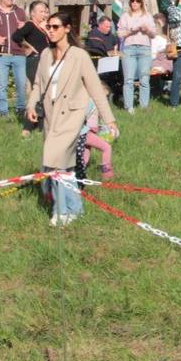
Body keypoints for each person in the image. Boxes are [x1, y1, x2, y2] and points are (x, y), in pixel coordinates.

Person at [26, 12, 117, 226]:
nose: (51, 30)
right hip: (51, 117)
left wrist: (109, 120)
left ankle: (61, 210)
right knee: (61, 167)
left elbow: (95, 88)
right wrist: (31, 105)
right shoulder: (46, 55)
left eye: (56, 27)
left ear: (67, 28)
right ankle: (71, 209)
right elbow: (39, 84)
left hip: (72, 116)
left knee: (56, 161)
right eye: (49, 27)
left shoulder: (79, 56)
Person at [12, 0, 50, 137]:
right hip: (34, 61)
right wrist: (27, 47)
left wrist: (47, 28)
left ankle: (41, 125)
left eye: (45, 11)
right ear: (33, 13)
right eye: (41, 11)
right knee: (39, 91)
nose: (44, 14)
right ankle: (28, 126)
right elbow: (16, 36)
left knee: (45, 92)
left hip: (46, 61)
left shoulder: (45, 27)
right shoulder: (29, 25)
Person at [116, 0, 156, 113]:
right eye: (132, 0)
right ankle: (129, 107)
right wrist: (130, 32)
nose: (135, 3)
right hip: (129, 49)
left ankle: (144, 106)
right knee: (128, 79)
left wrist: (146, 30)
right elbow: (119, 33)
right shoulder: (125, 16)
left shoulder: (147, 16)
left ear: (141, 3)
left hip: (144, 49)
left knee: (144, 79)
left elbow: (154, 34)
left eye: (137, 1)